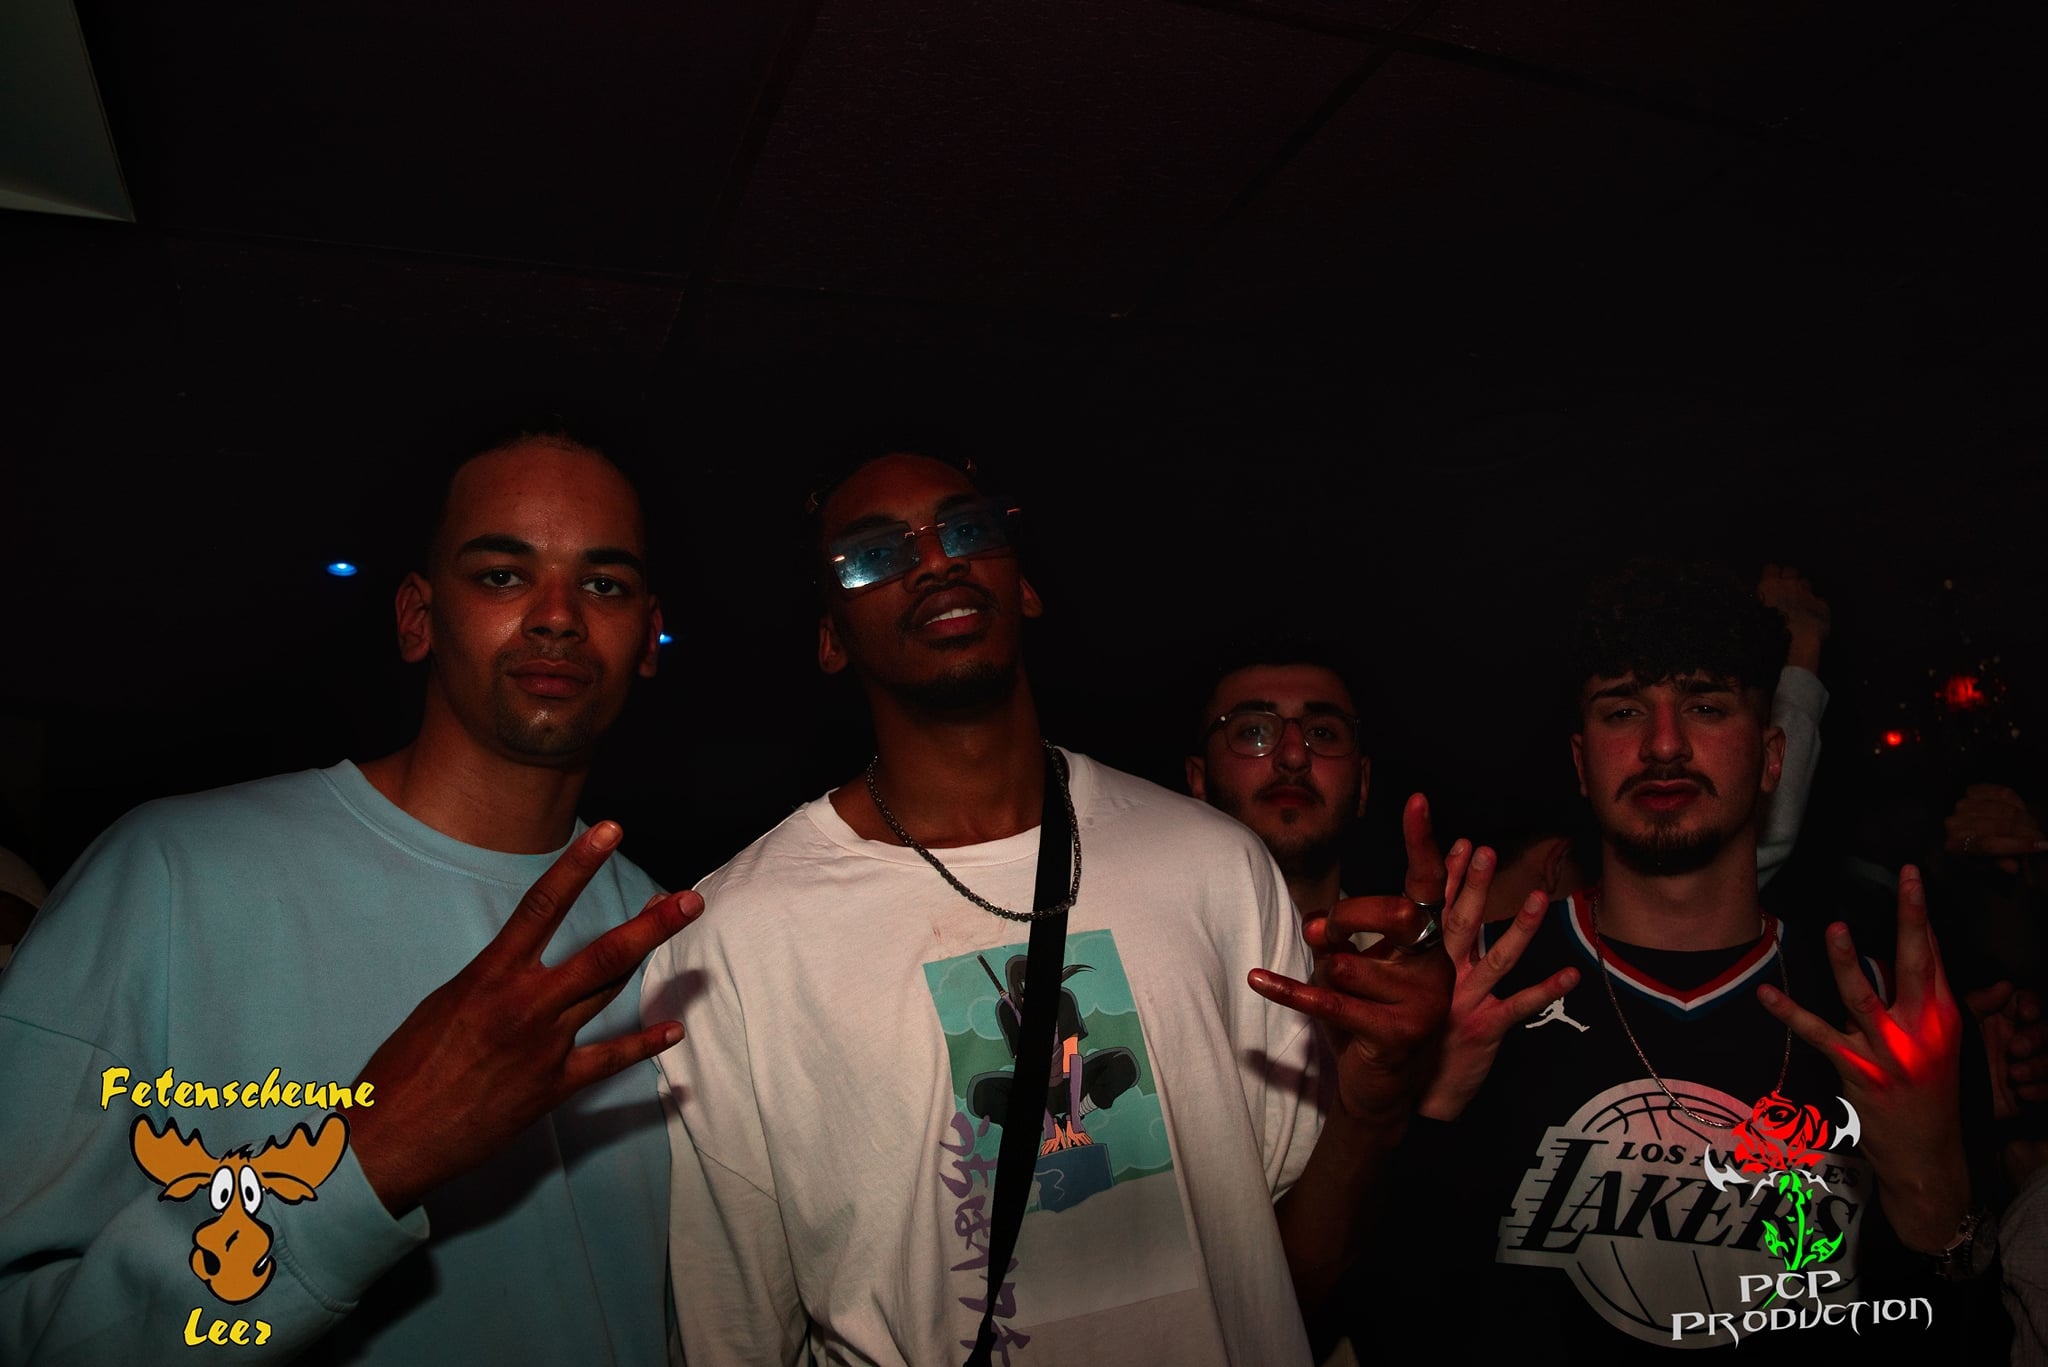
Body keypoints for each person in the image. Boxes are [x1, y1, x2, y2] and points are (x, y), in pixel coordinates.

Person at [645, 450, 1451, 1365]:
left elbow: (1285, 1278)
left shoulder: (1215, 866)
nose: (935, 559)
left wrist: (1374, 1101)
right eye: (874, 553)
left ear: (1022, 584)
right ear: (831, 637)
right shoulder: (736, 940)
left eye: (966, 528)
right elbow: (734, 1335)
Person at [0, 427, 700, 1364]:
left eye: (604, 584)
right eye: (502, 574)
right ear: (417, 618)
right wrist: (370, 1158)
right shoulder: (172, 874)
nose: (558, 616)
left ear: (649, 636)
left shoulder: (679, 947)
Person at [1376, 559, 1989, 1360]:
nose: (1664, 744)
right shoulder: (1479, 990)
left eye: (1705, 705)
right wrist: (1424, 1110)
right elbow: (1388, 1313)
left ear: (1771, 757)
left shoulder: (1890, 1020)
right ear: (1581, 762)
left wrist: (1935, 1194)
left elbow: (1974, 1341)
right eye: (1624, 710)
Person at [1186, 642, 1371, 918]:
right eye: (1254, 732)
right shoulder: (1128, 933)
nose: (1294, 756)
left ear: (1364, 783)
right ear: (1198, 780)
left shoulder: (1421, 945)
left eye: (1322, 732)